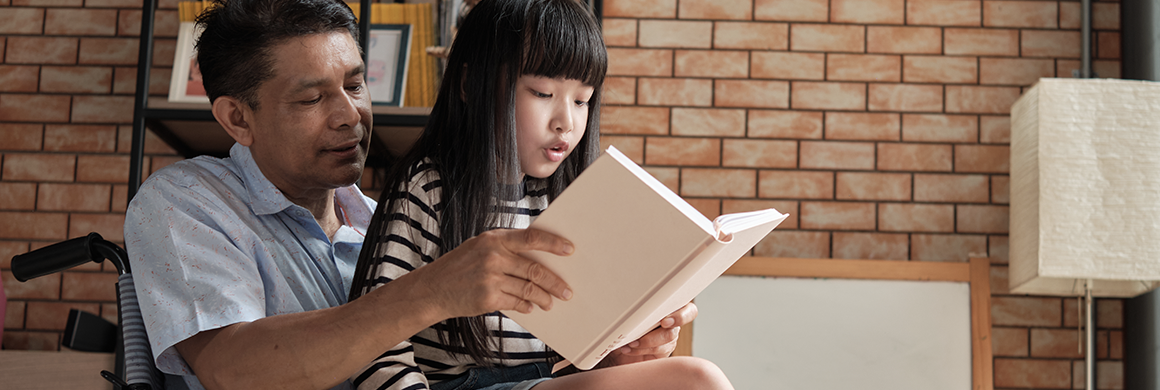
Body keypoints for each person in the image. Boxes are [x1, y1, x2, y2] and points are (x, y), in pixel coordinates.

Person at [125, 0, 577, 389]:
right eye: (311, 99)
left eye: (355, 86)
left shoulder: (384, 222)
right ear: (238, 119)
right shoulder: (183, 201)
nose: (349, 115)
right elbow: (232, 370)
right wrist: (431, 291)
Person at [347, 1, 734, 389]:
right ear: (470, 85)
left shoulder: (572, 198)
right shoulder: (428, 187)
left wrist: (629, 348)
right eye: (542, 92)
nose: (566, 121)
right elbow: (374, 341)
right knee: (698, 379)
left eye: (582, 100)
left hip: (547, 379)